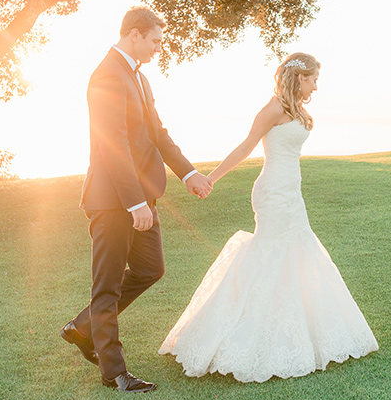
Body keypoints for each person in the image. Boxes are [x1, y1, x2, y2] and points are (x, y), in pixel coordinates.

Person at [158, 52, 378, 382]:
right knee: (271, 253)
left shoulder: (297, 109)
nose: (316, 87)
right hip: (273, 192)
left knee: (297, 252)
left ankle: (300, 331)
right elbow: (246, 146)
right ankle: (244, 334)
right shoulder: (273, 109)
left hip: (292, 192)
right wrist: (210, 178)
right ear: (299, 78)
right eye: (313, 80)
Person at [60, 6, 212, 393]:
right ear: (134, 35)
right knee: (107, 287)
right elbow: (114, 147)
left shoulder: (139, 79)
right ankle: (114, 371)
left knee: (151, 268)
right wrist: (133, 203)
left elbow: (157, 133)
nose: (160, 48)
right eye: (156, 40)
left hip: (141, 196)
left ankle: (82, 328)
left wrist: (189, 173)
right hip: (113, 200)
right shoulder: (106, 76)